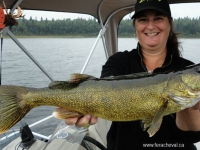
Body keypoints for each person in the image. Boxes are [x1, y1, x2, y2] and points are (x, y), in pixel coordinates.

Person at [64, 0, 200, 149]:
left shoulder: (186, 67)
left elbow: (192, 136)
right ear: (135, 26)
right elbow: (106, 85)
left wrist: (191, 105)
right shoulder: (119, 61)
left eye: (158, 18)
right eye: (143, 20)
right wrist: (81, 107)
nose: (150, 26)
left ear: (170, 23)